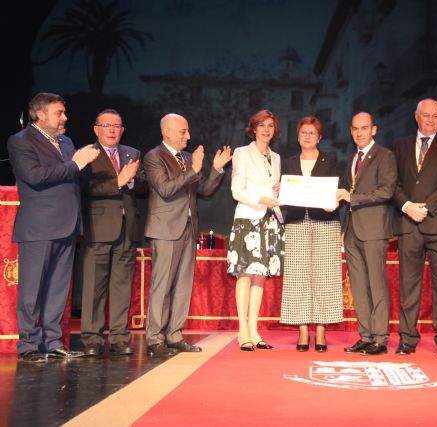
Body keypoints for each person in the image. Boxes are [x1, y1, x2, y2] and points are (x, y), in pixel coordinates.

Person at [7, 92, 100, 362]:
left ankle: (52, 340)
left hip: (68, 224)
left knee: (58, 288)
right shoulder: (21, 140)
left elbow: (75, 177)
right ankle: (28, 345)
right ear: (41, 114)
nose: (65, 118)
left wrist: (85, 165)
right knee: (32, 288)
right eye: (59, 113)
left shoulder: (66, 141)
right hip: (39, 226)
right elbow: (34, 177)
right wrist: (75, 164)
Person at [144, 113, 231, 357]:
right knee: (162, 286)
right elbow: (165, 189)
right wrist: (193, 169)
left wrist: (215, 168)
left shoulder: (187, 158)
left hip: (188, 230)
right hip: (165, 229)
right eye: (183, 132)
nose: (188, 136)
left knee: (182, 285)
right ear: (167, 132)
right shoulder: (154, 157)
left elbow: (203, 190)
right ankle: (155, 339)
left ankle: (174, 335)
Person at [392, 98, 437, 358]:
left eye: (436, 116)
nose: (431, 120)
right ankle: (407, 338)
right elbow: (394, 183)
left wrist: (427, 207)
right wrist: (408, 206)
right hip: (408, 223)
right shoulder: (400, 145)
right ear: (416, 116)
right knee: (408, 285)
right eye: (426, 115)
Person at [78, 109, 146, 357]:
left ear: (122, 130)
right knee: (94, 287)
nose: (112, 130)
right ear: (96, 129)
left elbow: (142, 188)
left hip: (127, 229)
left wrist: (131, 180)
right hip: (98, 228)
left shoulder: (132, 153)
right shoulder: (88, 154)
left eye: (116, 126)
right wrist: (118, 181)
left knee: (122, 285)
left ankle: (119, 337)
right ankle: (92, 339)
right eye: (106, 125)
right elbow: (83, 188)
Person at [280, 116, 343, 352]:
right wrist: (281, 190)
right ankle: (303, 330)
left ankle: (321, 331)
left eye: (312, 133)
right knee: (298, 276)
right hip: (297, 222)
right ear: (298, 137)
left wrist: (334, 202)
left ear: (319, 137)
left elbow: (339, 188)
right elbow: (285, 194)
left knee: (325, 276)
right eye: (303, 132)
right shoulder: (288, 163)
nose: (307, 136)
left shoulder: (331, 160)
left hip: (326, 222)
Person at [336, 112, 397, 356]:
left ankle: (380, 339)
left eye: (364, 128)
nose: (359, 133)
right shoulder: (352, 158)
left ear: (374, 129)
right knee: (359, 287)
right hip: (352, 231)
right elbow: (347, 194)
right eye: (355, 129)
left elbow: (387, 191)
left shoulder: (385, 156)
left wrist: (353, 198)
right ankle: (365, 336)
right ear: (351, 131)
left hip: (374, 230)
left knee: (376, 285)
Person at [227, 109, 285, 351]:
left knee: (260, 275)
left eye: (270, 125)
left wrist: (280, 193)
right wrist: (262, 198)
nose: (266, 129)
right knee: (245, 273)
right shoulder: (242, 153)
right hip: (249, 218)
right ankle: (242, 331)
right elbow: (236, 190)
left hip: (270, 221)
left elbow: (274, 190)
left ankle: (254, 330)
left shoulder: (277, 157)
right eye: (261, 125)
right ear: (253, 129)